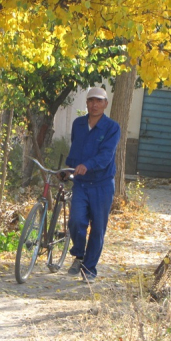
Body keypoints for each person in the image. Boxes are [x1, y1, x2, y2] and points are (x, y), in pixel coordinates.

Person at [64, 86, 121, 283]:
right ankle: (79, 255)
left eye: (99, 101)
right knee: (76, 221)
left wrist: (87, 165)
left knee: (98, 228)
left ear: (105, 104)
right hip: (81, 183)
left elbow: (106, 156)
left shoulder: (112, 127)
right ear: (86, 103)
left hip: (102, 184)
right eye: (91, 101)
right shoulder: (78, 124)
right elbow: (75, 149)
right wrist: (69, 168)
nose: (94, 105)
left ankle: (89, 269)